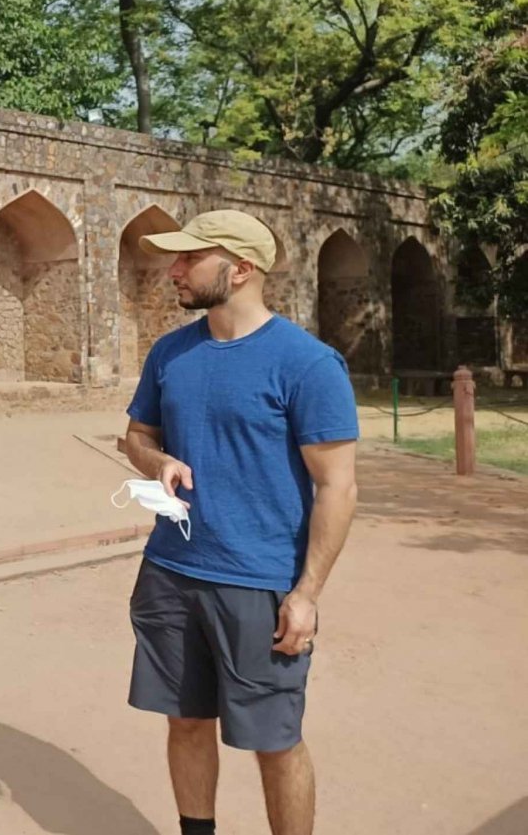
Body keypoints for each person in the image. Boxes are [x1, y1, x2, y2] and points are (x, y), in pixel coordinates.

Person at [120, 210, 359, 835]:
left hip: (258, 582)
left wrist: (306, 595)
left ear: (242, 269)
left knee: (274, 739)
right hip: (171, 571)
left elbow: (337, 487)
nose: (173, 269)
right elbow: (135, 436)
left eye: (189, 259)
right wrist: (157, 460)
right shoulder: (172, 352)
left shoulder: (306, 363)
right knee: (186, 720)